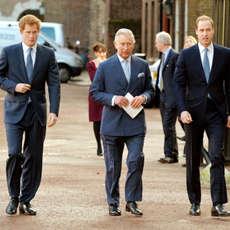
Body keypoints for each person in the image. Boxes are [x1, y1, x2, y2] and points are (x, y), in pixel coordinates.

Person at [0, 14, 60, 215]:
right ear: (21, 32)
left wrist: (53, 111)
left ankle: (26, 200)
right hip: (14, 111)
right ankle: (13, 197)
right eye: (28, 32)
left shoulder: (47, 54)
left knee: (34, 157)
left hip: (37, 112)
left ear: (38, 32)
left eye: (35, 32)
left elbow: (54, 83)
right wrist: (13, 86)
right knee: (15, 153)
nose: (32, 36)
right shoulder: (9, 52)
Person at [90, 28, 154, 216]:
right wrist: (113, 99)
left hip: (136, 124)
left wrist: (144, 97)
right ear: (115, 44)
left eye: (129, 44)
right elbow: (95, 92)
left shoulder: (142, 65)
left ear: (133, 45)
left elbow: (151, 90)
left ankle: (132, 201)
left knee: (135, 160)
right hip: (112, 124)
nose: (125, 47)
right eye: (122, 44)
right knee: (113, 166)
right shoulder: (104, 66)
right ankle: (113, 202)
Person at [173, 15, 230, 217]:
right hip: (192, 113)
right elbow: (178, 84)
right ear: (196, 32)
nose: (205, 34)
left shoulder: (225, 54)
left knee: (216, 155)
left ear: (213, 31)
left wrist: (229, 112)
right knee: (193, 158)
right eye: (201, 30)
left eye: (208, 30)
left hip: (216, 112)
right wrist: (182, 110)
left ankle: (218, 204)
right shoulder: (186, 55)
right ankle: (195, 202)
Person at [155, 32, 179, 164]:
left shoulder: (175, 56)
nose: (155, 45)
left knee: (168, 125)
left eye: (156, 42)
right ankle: (173, 154)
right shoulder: (164, 57)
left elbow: (180, 78)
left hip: (171, 97)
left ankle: (169, 154)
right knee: (167, 126)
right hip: (162, 96)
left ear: (162, 43)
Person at [87, 43, 107, 156]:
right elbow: (94, 79)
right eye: (99, 52)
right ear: (95, 53)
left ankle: (106, 144)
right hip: (95, 95)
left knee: (106, 119)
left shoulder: (109, 63)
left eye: (103, 52)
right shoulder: (91, 64)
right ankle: (98, 145)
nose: (101, 54)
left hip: (106, 94)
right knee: (97, 120)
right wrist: (99, 65)